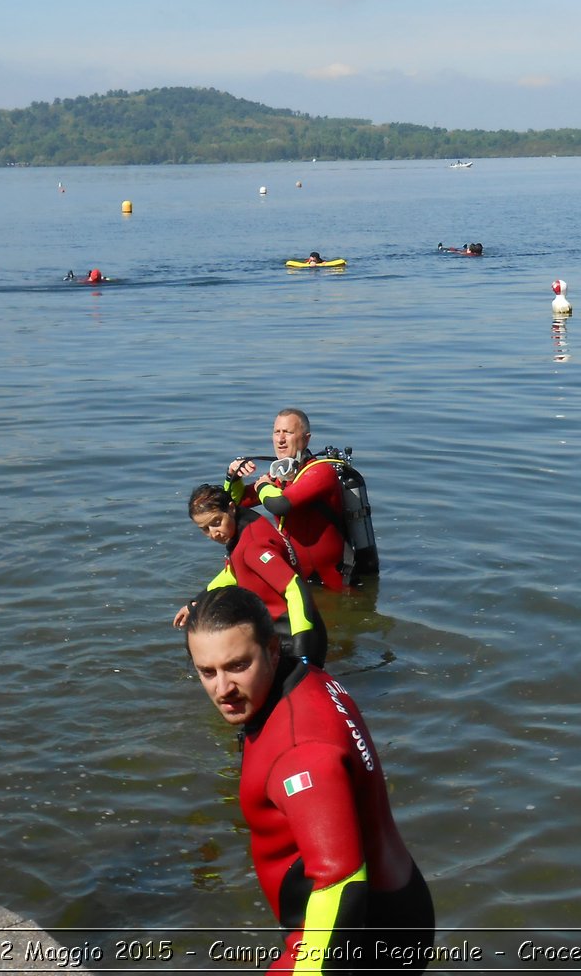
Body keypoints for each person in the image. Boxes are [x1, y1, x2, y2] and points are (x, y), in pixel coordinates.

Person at [184, 587, 434, 974]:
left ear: (271, 649)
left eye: (237, 666)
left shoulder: (300, 752)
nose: (222, 689)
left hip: (359, 937)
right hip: (391, 910)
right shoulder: (304, 679)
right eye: (207, 671)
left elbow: (341, 882)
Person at [176, 484, 327, 667]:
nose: (213, 533)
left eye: (216, 522)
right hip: (283, 633)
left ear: (231, 508)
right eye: (204, 528)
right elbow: (233, 573)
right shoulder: (247, 525)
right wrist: (197, 601)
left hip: (293, 637)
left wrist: (302, 649)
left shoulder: (253, 548)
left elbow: (294, 588)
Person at [227, 408, 348, 589]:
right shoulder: (279, 476)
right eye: (277, 432)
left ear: (306, 439)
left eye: (288, 432)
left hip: (333, 584)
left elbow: (280, 505)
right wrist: (233, 476)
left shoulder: (321, 472)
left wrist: (262, 485)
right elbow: (235, 504)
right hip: (295, 578)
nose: (281, 439)